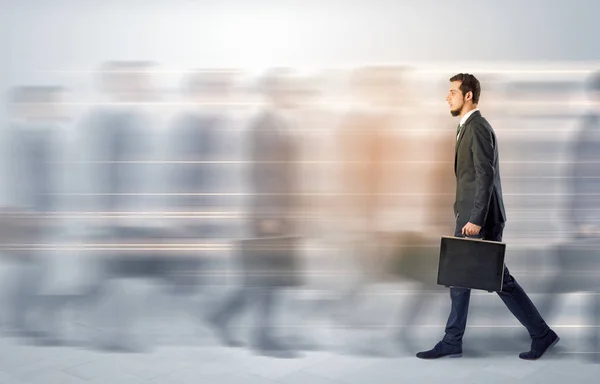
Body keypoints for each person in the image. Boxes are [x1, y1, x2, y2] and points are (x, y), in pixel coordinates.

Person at [416, 73, 559, 360]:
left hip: (478, 220)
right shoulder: (466, 127)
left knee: (499, 281)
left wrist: (476, 218)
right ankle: (453, 340)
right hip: (470, 215)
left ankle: (541, 334)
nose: (448, 97)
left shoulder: (478, 127)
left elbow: (485, 174)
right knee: (460, 280)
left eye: (453, 92)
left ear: (468, 95)